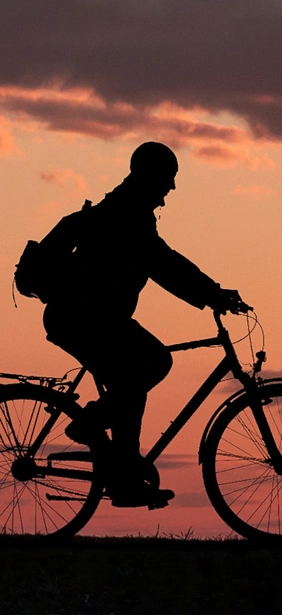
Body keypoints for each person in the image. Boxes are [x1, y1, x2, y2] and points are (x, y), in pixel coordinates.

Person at [37, 141, 245, 508]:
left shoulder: (127, 208)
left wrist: (211, 293)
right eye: (169, 178)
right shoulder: (127, 214)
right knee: (153, 361)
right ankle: (91, 426)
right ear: (150, 175)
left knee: (131, 382)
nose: (172, 188)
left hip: (89, 317)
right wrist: (214, 294)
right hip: (82, 317)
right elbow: (163, 263)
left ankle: (124, 478)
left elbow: (162, 260)